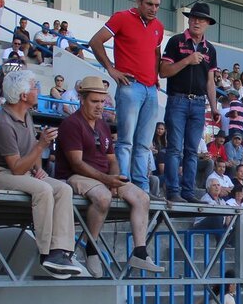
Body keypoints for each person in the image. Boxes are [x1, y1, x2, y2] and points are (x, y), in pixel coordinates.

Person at [55, 76, 164, 277]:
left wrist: (115, 177)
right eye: (94, 101)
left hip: (102, 176)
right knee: (103, 198)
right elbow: (76, 164)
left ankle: (140, 251)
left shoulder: (103, 125)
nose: (99, 106)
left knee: (142, 197)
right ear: (81, 98)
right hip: (75, 176)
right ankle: (91, 247)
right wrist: (107, 181)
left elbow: (112, 159)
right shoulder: (71, 124)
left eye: (102, 101)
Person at [0, 70, 84, 279]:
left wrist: (39, 169)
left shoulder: (27, 115)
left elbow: (30, 154)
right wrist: (41, 145)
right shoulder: (2, 122)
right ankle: (46, 252)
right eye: (34, 87)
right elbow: (16, 168)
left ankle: (61, 250)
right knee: (44, 189)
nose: (38, 90)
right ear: (23, 95)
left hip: (23, 171)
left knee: (63, 189)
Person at [88, 0, 165, 193]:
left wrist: (155, 75)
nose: (153, 8)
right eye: (149, 3)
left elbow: (156, 53)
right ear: (138, 1)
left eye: (157, 5)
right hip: (130, 86)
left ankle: (141, 188)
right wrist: (111, 69)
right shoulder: (122, 17)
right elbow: (95, 41)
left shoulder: (158, 26)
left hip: (150, 88)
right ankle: (123, 185)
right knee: (126, 141)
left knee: (143, 144)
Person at [159, 1, 219, 203]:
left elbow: (210, 81)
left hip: (199, 103)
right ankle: (173, 191)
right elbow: (164, 71)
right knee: (175, 147)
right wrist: (187, 60)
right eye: (193, 18)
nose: (196, 22)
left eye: (201, 19)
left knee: (192, 150)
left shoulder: (210, 49)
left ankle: (187, 192)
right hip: (178, 99)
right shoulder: (176, 42)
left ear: (207, 23)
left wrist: (214, 106)